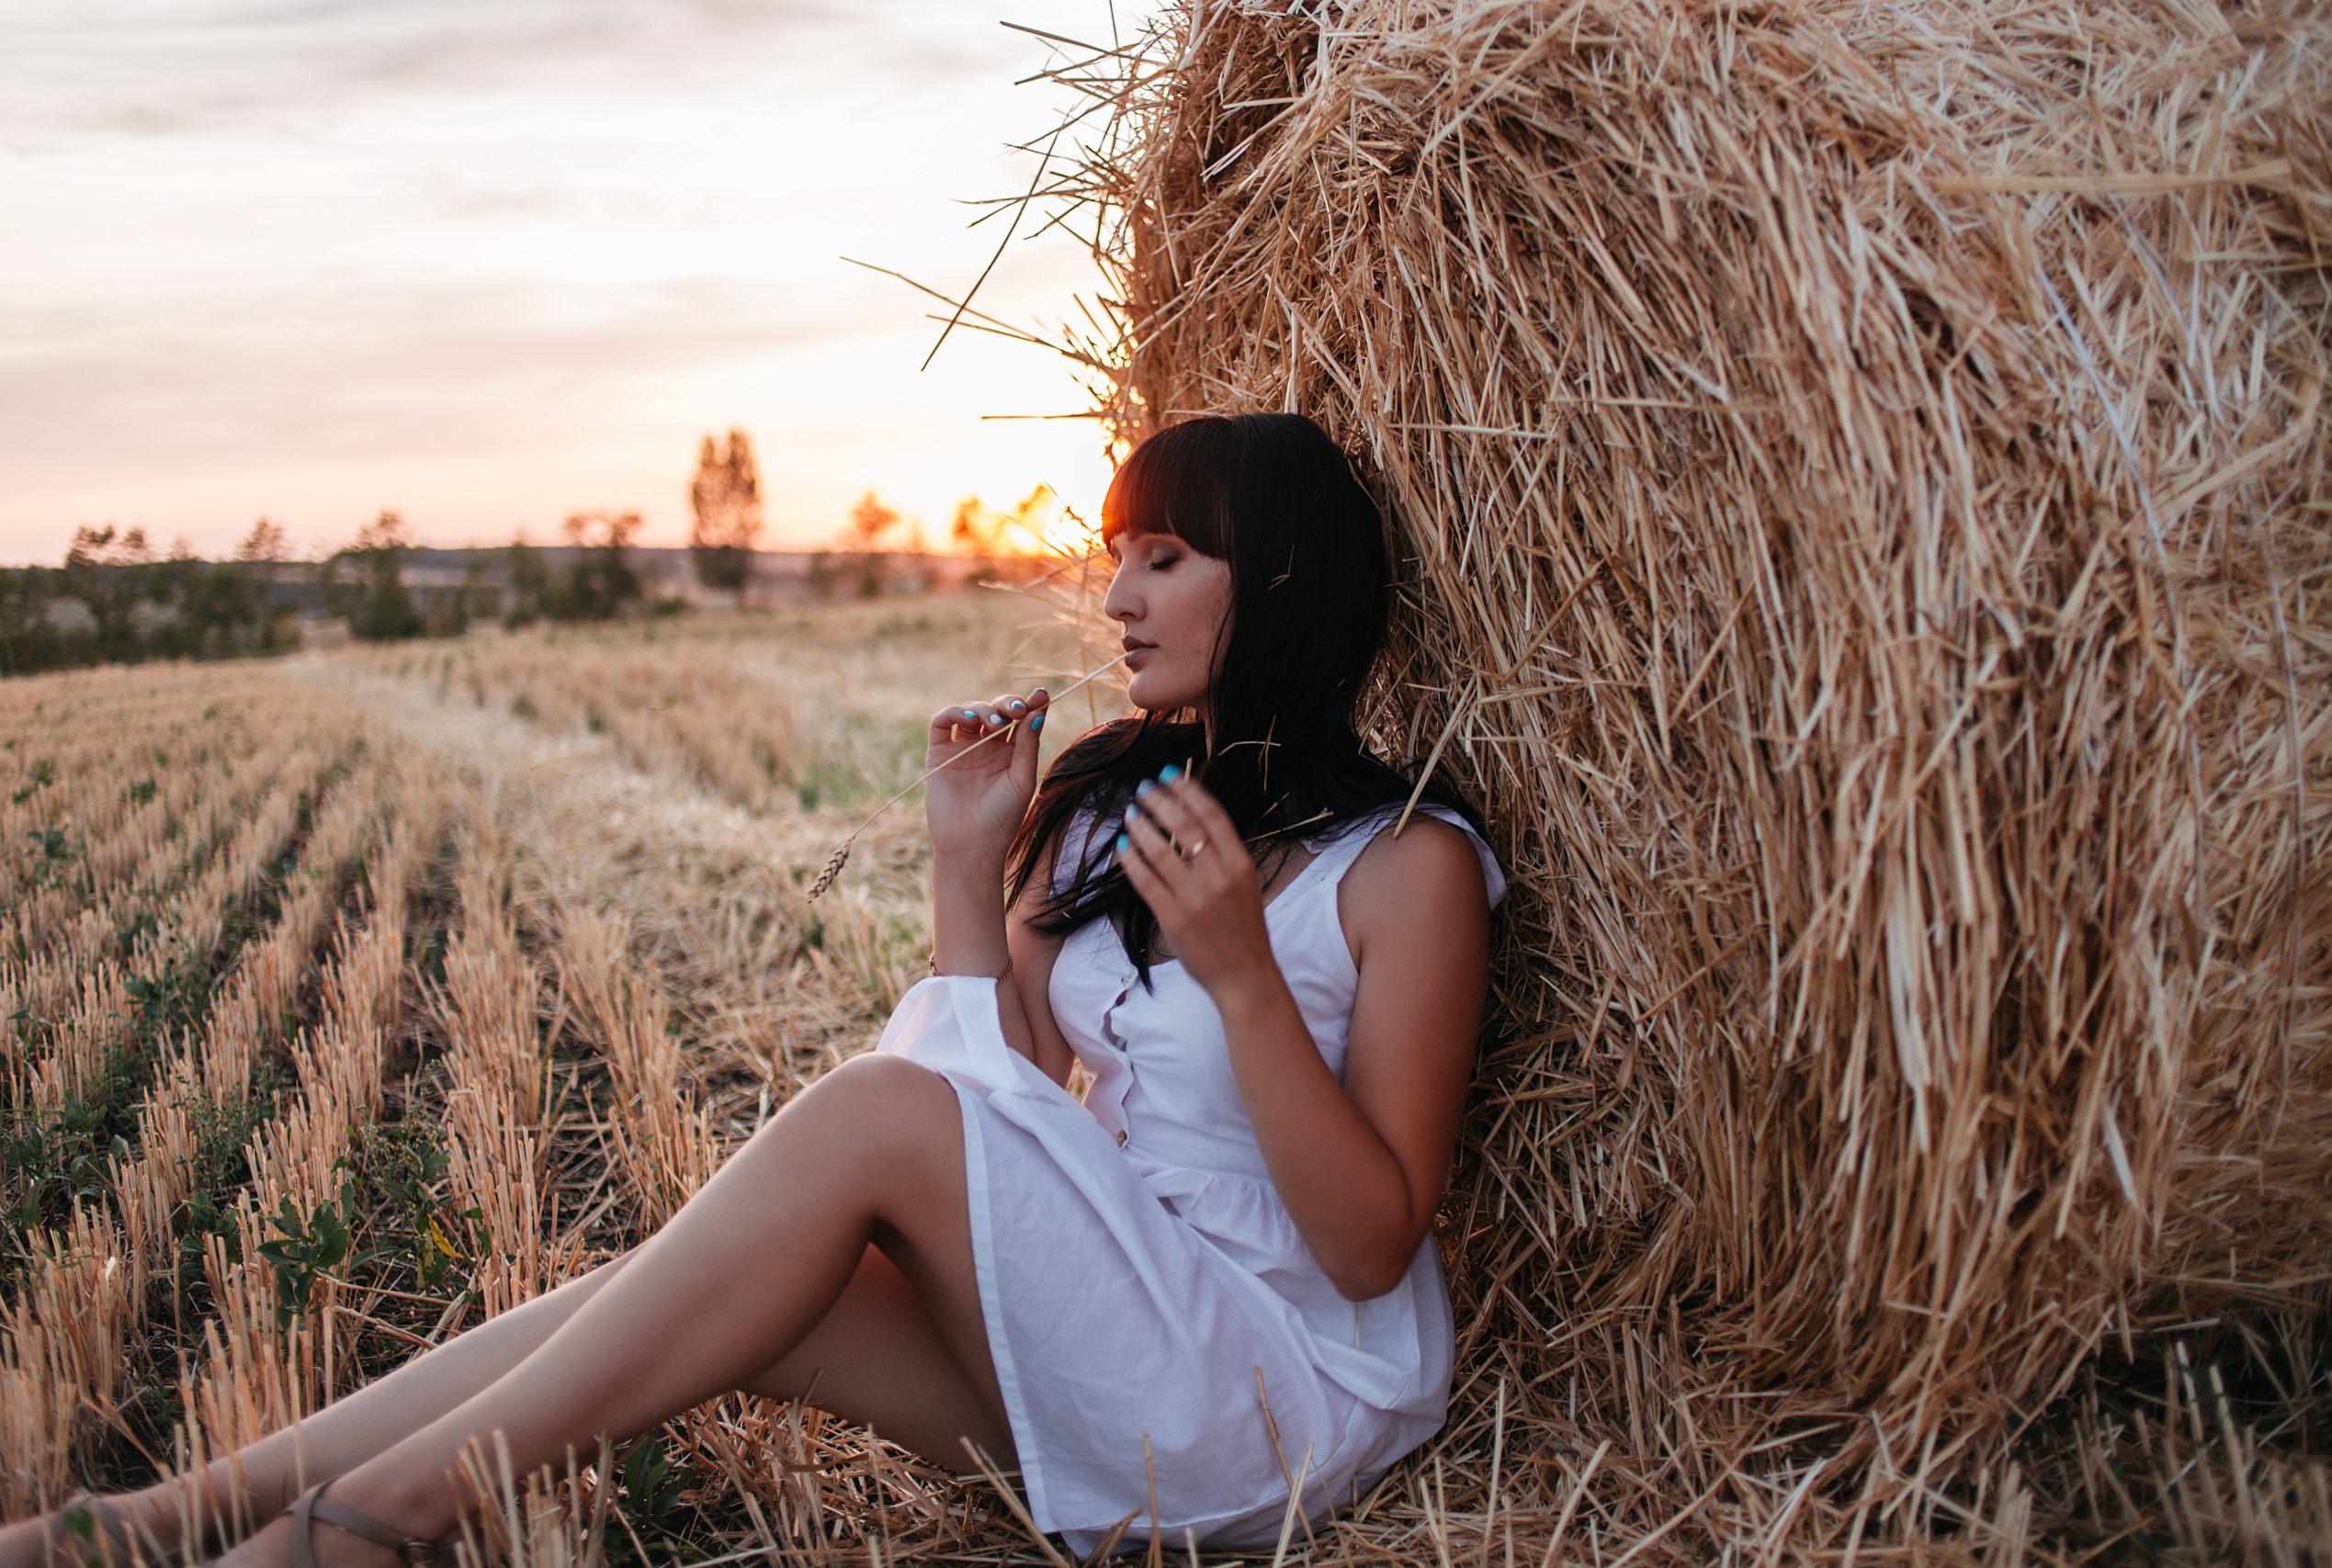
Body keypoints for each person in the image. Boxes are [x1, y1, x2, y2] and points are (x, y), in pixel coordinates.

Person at [5, 412, 1501, 1567]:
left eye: (1165, 557)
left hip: (1271, 1394)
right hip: (1115, 1322)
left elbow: (1372, 1246)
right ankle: (162, 1515)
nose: (1115, 595)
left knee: (867, 1121)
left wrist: (1245, 984)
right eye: (1118, 552)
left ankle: (375, 1522)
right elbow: (1016, 1091)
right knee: (725, 1294)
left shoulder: (1403, 866)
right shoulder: (1121, 804)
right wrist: (963, 865)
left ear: (1286, 576)